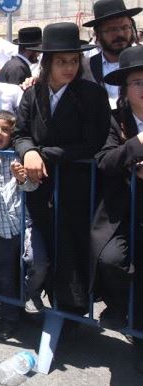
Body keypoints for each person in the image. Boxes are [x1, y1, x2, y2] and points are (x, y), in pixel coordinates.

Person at [14, 22, 111, 315]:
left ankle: (70, 313)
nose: (69, 68)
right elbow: (20, 132)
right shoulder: (33, 93)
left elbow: (93, 141)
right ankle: (50, 307)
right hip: (40, 186)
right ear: (47, 63)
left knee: (73, 248)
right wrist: (28, 151)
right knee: (46, 246)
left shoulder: (91, 94)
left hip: (78, 187)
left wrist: (43, 154)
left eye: (73, 61)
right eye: (61, 62)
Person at [91, 44, 143, 369]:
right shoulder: (113, 120)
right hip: (122, 212)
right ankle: (120, 308)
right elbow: (104, 160)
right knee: (110, 261)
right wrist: (137, 146)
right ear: (125, 88)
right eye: (138, 82)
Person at [0, 110, 41, 340]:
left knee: (33, 262)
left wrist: (22, 178)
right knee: (5, 275)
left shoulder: (19, 156)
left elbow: (33, 188)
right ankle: (8, 317)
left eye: (5, 129)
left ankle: (27, 299)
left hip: (24, 224)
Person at [84, 0, 140, 108]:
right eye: (112, 29)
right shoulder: (86, 67)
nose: (120, 34)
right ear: (98, 34)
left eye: (125, 28)